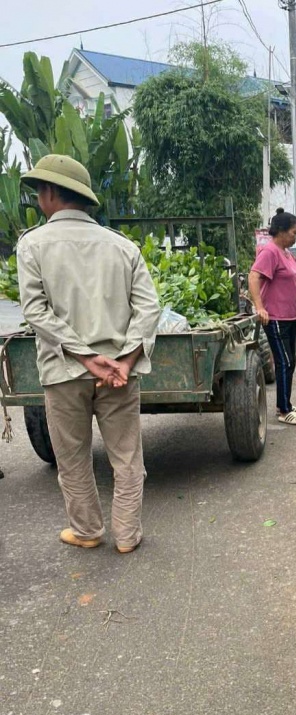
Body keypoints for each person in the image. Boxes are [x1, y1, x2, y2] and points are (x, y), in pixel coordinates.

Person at [16, 154, 161, 553]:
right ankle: (128, 536)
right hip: (118, 374)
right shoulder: (122, 247)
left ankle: (87, 531)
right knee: (127, 457)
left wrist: (82, 356)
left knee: (74, 458)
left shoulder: (32, 245)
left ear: (48, 194)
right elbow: (149, 307)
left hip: (64, 373)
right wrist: (125, 360)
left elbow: (35, 310)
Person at [248, 209, 296, 425]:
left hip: (290, 317)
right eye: (294, 232)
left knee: (290, 363)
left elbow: (293, 286)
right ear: (281, 231)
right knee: (283, 362)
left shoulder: (286, 253)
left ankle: (287, 403)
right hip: (274, 318)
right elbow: (254, 277)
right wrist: (260, 307)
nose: (295, 236)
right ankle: (283, 410)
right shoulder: (270, 252)